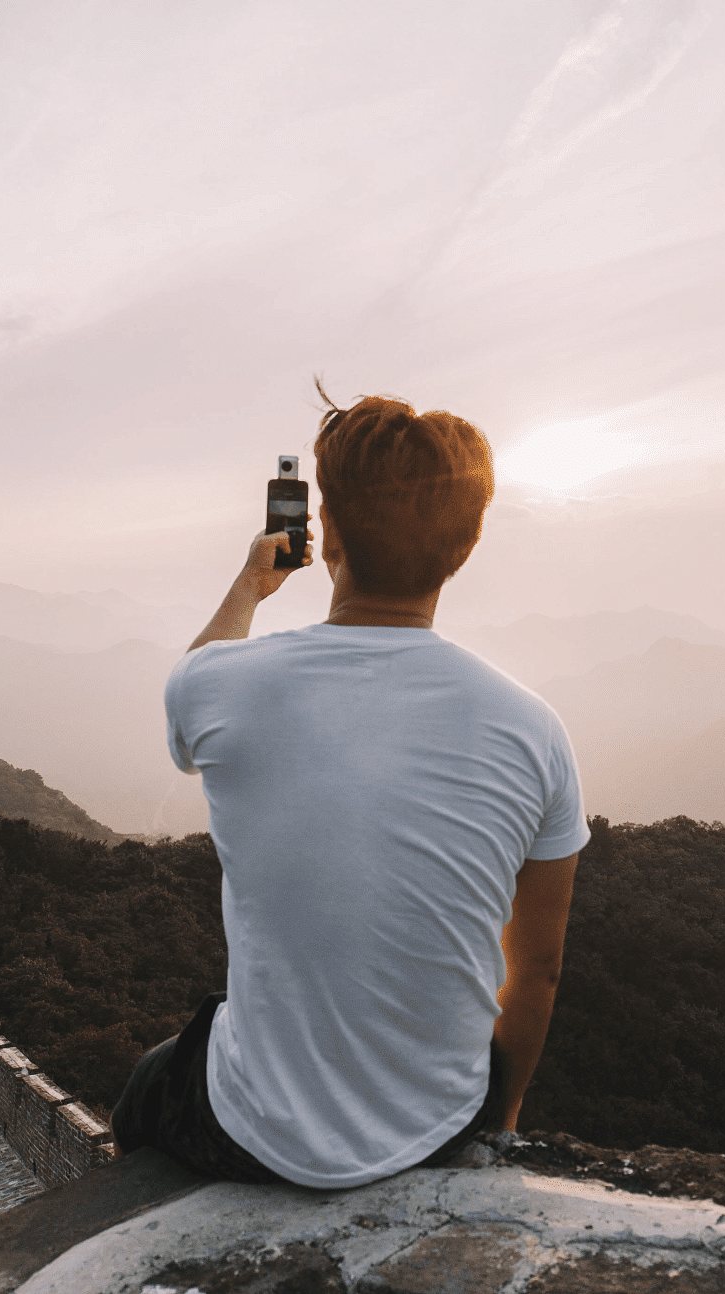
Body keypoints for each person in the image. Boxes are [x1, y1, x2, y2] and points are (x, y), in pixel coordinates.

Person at [110, 393, 589, 1190]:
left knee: (144, 1093)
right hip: (441, 1128)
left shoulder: (221, 685)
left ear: (326, 528)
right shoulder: (533, 729)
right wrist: (494, 1128)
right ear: (465, 546)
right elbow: (535, 971)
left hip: (250, 1132)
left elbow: (190, 691)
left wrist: (250, 587)